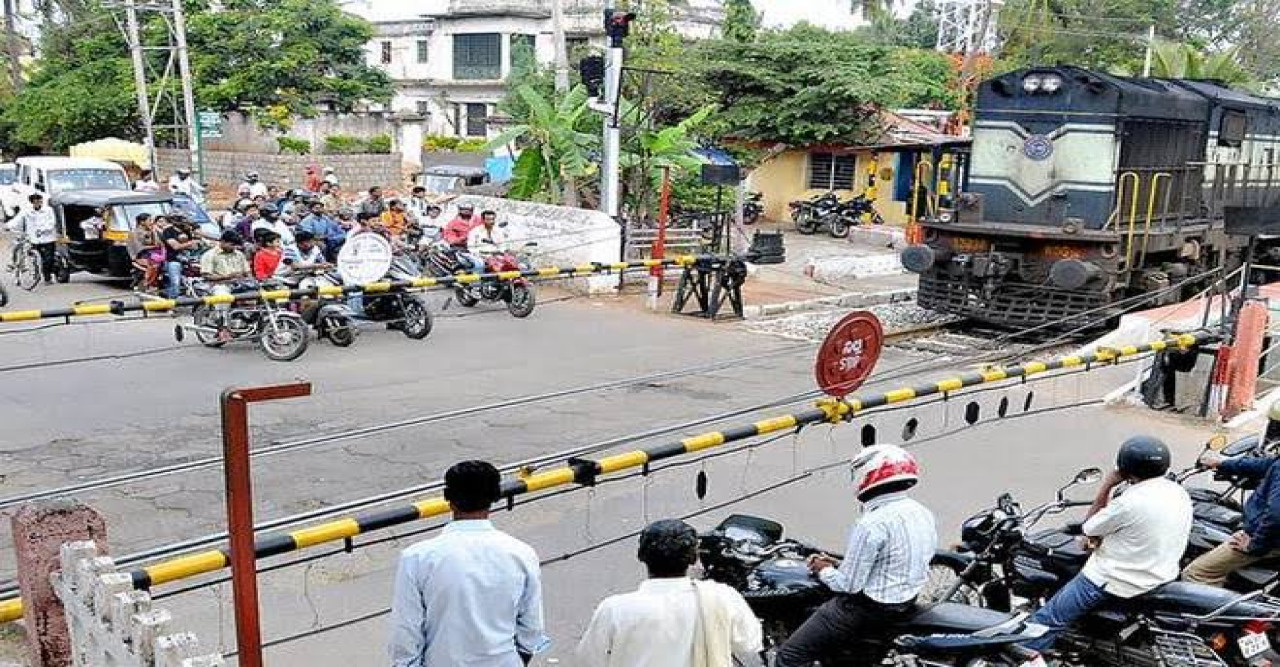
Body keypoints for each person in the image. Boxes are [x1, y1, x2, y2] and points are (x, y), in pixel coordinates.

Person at [1024, 436, 1192, 652]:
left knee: (1045, 622)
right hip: (1161, 574)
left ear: (1124, 468)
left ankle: (1024, 654)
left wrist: (1107, 484)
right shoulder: (1178, 492)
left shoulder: (1129, 502)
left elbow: (1089, 527)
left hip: (1115, 580)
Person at [774, 444, 937, 667]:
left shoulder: (871, 524)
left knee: (788, 658)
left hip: (868, 609)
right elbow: (895, 559)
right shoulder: (921, 512)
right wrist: (841, 564)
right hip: (905, 602)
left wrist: (823, 568)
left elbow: (847, 585)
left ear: (867, 474)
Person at [388, 460, 550, 667]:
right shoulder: (522, 553)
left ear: (448, 498)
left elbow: (406, 631)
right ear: (495, 497)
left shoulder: (417, 558)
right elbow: (531, 627)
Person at [577, 519, 762, 667]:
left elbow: (588, 660)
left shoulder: (614, 609)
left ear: (641, 556)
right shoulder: (722, 598)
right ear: (693, 558)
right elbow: (749, 644)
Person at [1184, 406, 1280, 586]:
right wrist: (1223, 464)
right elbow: (1266, 464)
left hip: (1270, 541)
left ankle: (1215, 612)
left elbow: (1276, 515)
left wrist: (1254, 545)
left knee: (1195, 573)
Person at [5, 194, 58, 283]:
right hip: (34, 239)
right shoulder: (27, 211)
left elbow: (52, 223)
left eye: (39, 200)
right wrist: (8, 226)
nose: (37, 203)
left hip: (48, 238)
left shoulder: (48, 210)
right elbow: (17, 220)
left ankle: (47, 277)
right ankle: (35, 274)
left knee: (48, 259)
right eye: (35, 201)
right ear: (32, 202)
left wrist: (43, 230)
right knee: (34, 258)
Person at [161, 214, 202, 298]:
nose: (185, 222)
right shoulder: (168, 231)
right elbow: (175, 246)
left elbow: (194, 246)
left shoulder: (187, 231)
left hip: (189, 259)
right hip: (173, 260)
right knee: (175, 283)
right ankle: (170, 301)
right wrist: (191, 243)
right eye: (182, 220)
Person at [442, 204, 484, 273]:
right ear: (459, 210)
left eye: (468, 210)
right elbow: (450, 239)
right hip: (463, 249)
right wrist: (462, 239)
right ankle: (475, 282)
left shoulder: (479, 220)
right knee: (479, 264)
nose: (466, 212)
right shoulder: (453, 224)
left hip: (481, 246)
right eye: (464, 210)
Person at [132, 213, 166, 292]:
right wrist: (154, 247)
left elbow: (158, 243)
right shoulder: (134, 233)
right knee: (154, 265)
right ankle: (149, 283)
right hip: (142, 256)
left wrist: (154, 231)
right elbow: (139, 248)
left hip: (155, 254)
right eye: (149, 220)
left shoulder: (151, 231)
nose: (151, 222)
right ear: (142, 222)